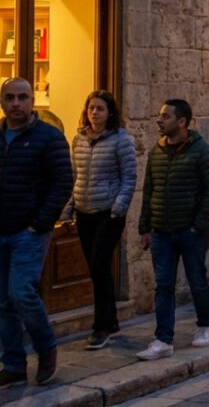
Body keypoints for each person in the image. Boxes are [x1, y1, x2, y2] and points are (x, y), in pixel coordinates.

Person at [136, 100, 209, 361]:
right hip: (162, 230)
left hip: (191, 231)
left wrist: (199, 225)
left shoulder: (202, 151)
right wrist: (145, 226)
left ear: (182, 121)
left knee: (197, 280)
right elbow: (149, 189)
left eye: (166, 116)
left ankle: (205, 325)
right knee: (163, 286)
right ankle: (163, 339)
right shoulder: (157, 151)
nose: (160, 120)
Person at [0, 78, 72, 385]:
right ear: (2, 102)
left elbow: (62, 183)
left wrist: (40, 223)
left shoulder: (49, 137)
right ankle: (14, 365)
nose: (16, 103)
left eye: (22, 97)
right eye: (10, 97)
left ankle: (47, 350)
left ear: (32, 101)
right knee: (3, 301)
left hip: (29, 232)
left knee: (22, 293)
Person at [66, 90, 137, 349]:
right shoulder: (79, 140)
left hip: (109, 212)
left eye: (100, 109)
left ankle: (101, 326)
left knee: (98, 264)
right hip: (84, 212)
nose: (94, 113)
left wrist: (119, 206)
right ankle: (111, 319)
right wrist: (70, 207)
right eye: (91, 108)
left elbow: (129, 176)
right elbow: (76, 176)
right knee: (96, 268)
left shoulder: (121, 140)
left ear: (110, 113)